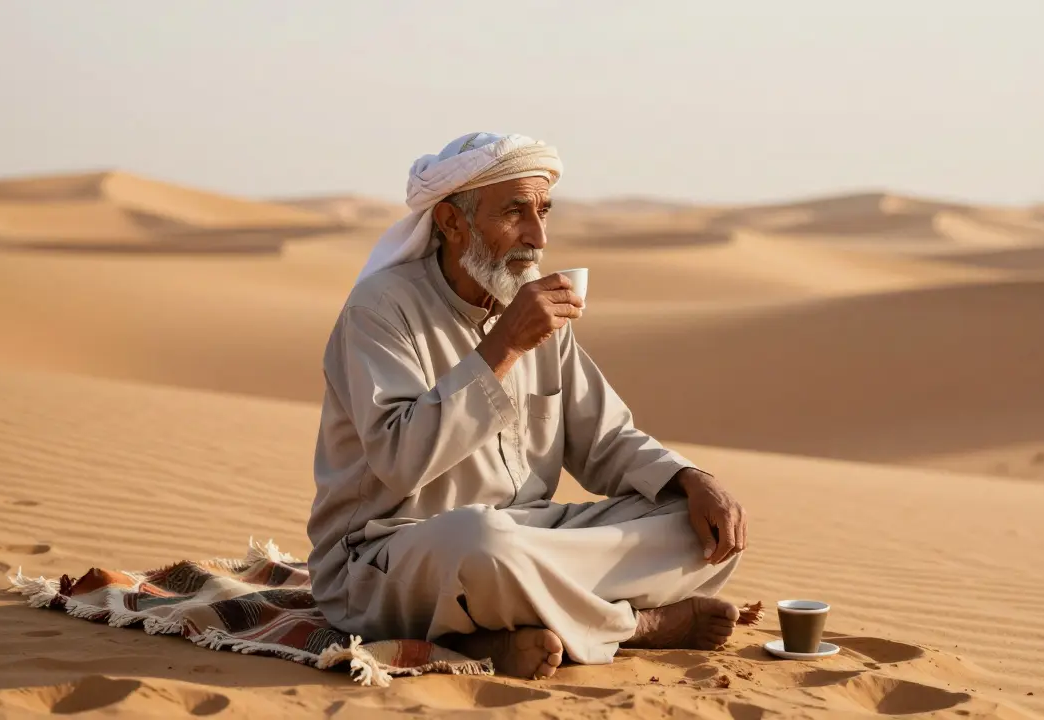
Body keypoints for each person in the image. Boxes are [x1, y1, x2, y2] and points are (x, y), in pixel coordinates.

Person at [307, 132, 749, 680]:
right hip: (392, 552)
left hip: (529, 537)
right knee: (483, 544)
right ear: (450, 222)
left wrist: (689, 478)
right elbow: (399, 461)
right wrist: (504, 346)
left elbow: (605, 440)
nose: (537, 237)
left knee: (700, 528)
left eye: (543, 212)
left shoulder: (530, 305)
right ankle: (639, 628)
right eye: (515, 213)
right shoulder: (379, 311)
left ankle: (504, 634)